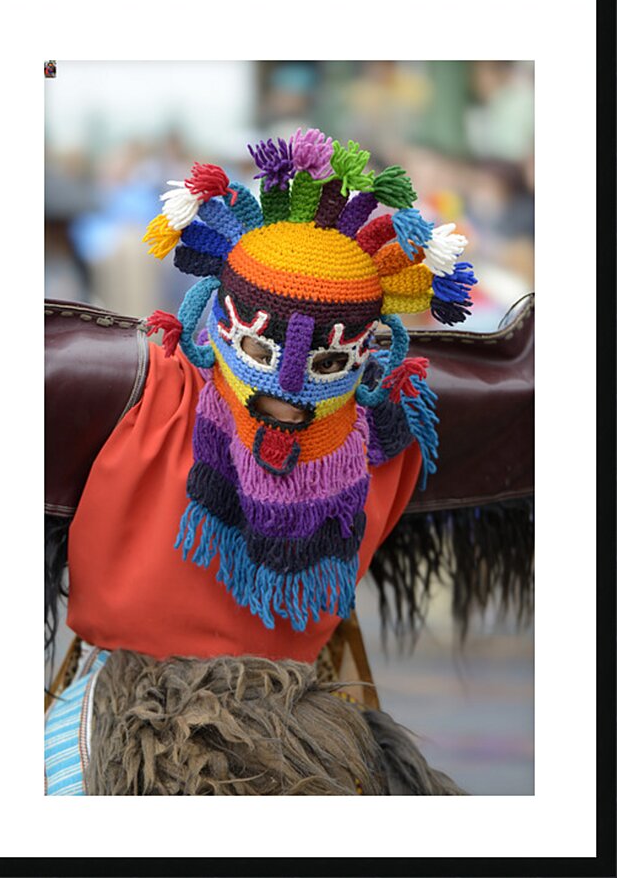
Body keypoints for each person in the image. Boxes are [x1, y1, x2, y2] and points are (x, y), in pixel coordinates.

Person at [45, 128, 480, 796]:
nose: (285, 397)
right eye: (263, 346)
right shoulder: (392, 433)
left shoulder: (152, 389)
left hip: (132, 723)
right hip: (285, 731)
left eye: (324, 362)